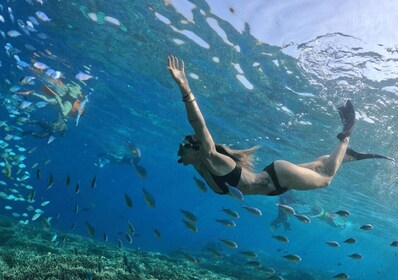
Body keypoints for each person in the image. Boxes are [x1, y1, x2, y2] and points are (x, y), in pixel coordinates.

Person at [168, 56, 393, 196]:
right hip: (274, 183)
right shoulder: (200, 165)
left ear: (197, 146)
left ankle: (347, 135)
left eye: (183, 145)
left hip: (277, 176)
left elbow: (198, 124)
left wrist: (185, 88)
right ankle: (347, 155)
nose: (179, 150)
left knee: (325, 178)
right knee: (318, 165)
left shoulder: (211, 158)